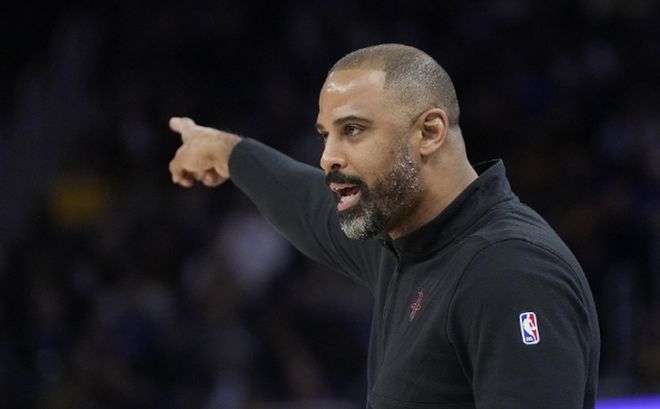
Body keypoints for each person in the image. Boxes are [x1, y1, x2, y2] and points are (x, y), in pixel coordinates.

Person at [168, 44, 600, 409]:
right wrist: (225, 151)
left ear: (429, 132)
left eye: (352, 130)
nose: (327, 157)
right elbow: (307, 205)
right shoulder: (406, 236)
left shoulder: (510, 272)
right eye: (325, 135)